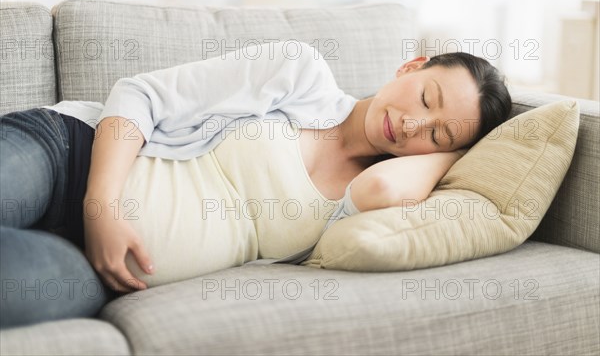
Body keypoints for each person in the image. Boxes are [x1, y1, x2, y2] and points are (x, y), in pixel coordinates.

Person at [0, 40, 511, 329]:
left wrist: (455, 149)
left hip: (96, 272)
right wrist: (102, 209)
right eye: (425, 98)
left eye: (438, 134)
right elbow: (140, 96)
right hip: (69, 157)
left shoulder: (363, 199)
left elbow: (386, 192)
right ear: (410, 66)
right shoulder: (300, 71)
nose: (412, 125)